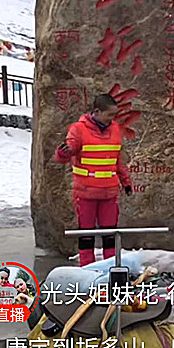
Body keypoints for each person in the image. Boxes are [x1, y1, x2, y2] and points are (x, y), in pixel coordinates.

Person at [54, 93, 133, 266]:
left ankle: (111, 266)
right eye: (109, 115)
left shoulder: (115, 129)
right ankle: (87, 268)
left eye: (114, 115)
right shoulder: (78, 129)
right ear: (97, 112)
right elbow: (65, 154)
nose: (112, 119)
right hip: (86, 192)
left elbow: (117, 160)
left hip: (109, 192)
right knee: (86, 234)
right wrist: (63, 153)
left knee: (110, 234)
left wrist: (126, 182)